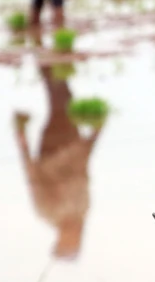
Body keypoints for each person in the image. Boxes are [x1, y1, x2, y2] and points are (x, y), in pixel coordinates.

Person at [14, 63, 103, 260]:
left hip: (53, 150)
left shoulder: (47, 212)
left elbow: (32, 176)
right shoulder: (83, 209)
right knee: (63, 100)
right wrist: (96, 133)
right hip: (71, 143)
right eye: (73, 241)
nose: (74, 236)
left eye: (70, 241)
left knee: (61, 101)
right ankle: (49, 59)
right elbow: (83, 169)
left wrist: (21, 138)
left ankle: (47, 58)